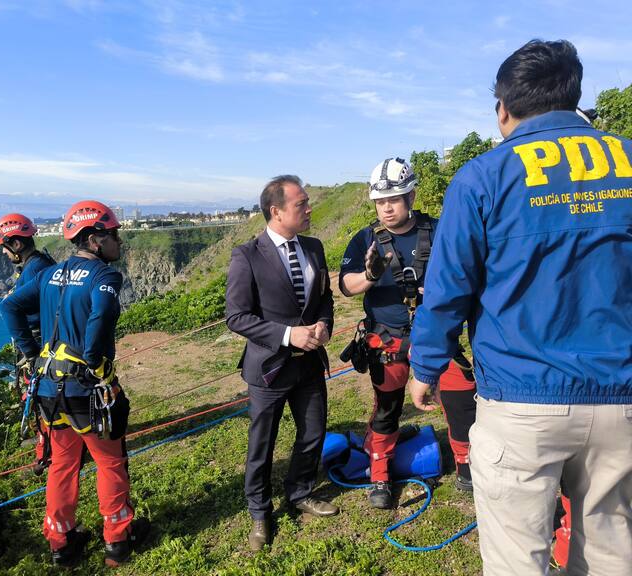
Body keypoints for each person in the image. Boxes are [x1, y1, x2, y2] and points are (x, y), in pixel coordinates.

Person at [407, 39, 632, 576]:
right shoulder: (625, 158)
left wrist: (426, 367)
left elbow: (449, 288)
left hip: (521, 398)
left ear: (503, 109)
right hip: (622, 394)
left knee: (517, 559)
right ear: (574, 95)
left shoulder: (485, 176)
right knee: (611, 550)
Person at [0, 200, 149, 567]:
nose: (120, 241)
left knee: (62, 465)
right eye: (114, 234)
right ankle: (117, 540)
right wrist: (94, 362)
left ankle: (61, 544)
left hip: (49, 390)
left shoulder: (49, 275)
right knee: (109, 461)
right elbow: (101, 317)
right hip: (86, 391)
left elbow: (10, 307)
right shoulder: (104, 276)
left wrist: (33, 353)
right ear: (95, 239)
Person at [338, 157, 476, 509]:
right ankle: (380, 474)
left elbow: (466, 273)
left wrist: (442, 290)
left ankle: (467, 466)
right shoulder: (366, 238)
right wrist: (370, 276)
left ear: (411, 197)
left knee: (460, 401)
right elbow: (346, 286)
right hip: (388, 339)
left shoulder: (439, 230)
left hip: (436, 336)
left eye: (394, 200)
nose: (386, 208)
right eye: (380, 202)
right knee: (387, 408)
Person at [226, 175, 338, 551]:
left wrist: (323, 324)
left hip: (308, 365)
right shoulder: (247, 255)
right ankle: (260, 512)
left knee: (313, 432)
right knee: (262, 444)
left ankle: (300, 491)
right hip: (269, 367)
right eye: (301, 204)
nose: (308, 209)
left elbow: (323, 297)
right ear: (276, 211)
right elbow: (236, 316)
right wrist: (289, 335)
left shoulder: (314, 247)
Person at [0, 213, 55, 474]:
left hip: (38, 340)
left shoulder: (35, 268)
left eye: (5, 248)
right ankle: (47, 443)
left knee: (43, 397)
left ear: (16, 244)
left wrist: (30, 353)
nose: (5, 254)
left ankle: (48, 454)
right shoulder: (38, 264)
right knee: (41, 396)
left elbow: (13, 307)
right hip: (43, 337)